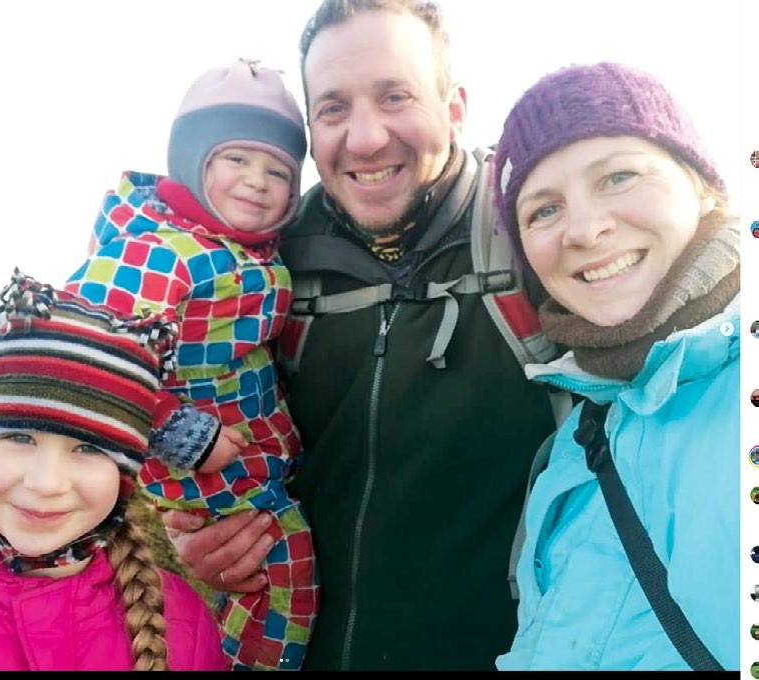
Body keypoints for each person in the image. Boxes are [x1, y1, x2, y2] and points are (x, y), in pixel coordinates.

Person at [162, 0, 558, 672]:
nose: (366, 138)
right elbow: (207, 420)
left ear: (455, 108)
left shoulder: (538, 240)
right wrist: (204, 533)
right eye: (334, 108)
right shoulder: (265, 272)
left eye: (395, 95)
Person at [63, 59, 317, 671]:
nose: (257, 181)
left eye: (278, 171)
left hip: (251, 452)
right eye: (235, 160)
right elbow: (87, 350)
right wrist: (179, 432)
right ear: (193, 160)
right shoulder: (160, 251)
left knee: (262, 575)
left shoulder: (239, 247)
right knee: (284, 575)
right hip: (207, 460)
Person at [491, 62, 738, 670]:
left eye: (619, 176)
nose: (586, 229)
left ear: (702, 185)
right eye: (543, 210)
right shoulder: (581, 437)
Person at [0, 271, 225, 671]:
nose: (46, 484)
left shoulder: (182, 620)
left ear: (124, 479)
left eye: (88, 448)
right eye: (19, 438)